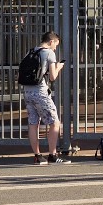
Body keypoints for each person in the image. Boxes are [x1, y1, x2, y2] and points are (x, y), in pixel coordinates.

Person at [22, 31, 68, 165]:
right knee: (54, 123)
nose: (55, 48)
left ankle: (37, 156)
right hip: (40, 92)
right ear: (51, 41)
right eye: (56, 45)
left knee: (33, 123)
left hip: (27, 91)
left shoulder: (31, 52)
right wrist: (58, 67)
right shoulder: (49, 53)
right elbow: (53, 77)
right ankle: (53, 155)